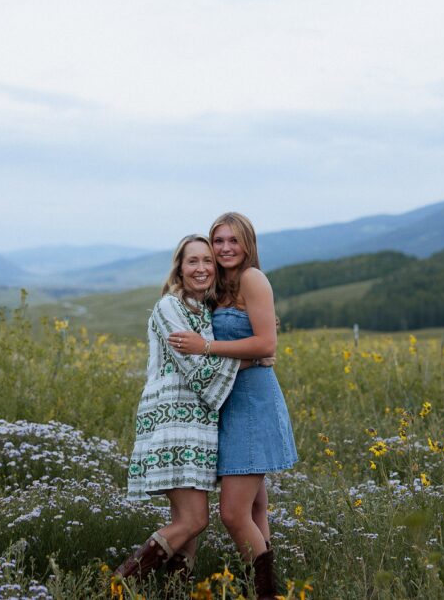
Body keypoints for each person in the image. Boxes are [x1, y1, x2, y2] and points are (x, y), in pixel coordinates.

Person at [117, 234, 273, 583]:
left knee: (187, 524)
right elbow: (200, 372)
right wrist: (253, 360)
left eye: (207, 261)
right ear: (179, 268)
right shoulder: (169, 308)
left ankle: (175, 590)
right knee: (194, 520)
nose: (201, 268)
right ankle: (118, 584)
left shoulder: (203, 310)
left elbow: (209, 355)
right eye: (193, 261)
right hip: (172, 423)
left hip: (198, 426)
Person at [168, 212, 298, 600]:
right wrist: (242, 358)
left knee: (232, 513)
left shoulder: (252, 279)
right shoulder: (219, 286)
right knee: (255, 509)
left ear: (247, 244)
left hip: (252, 405)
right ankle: (256, 587)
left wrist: (207, 347)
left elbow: (267, 343)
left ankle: (266, 593)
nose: (225, 248)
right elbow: (250, 349)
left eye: (233, 240)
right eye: (218, 240)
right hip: (226, 403)